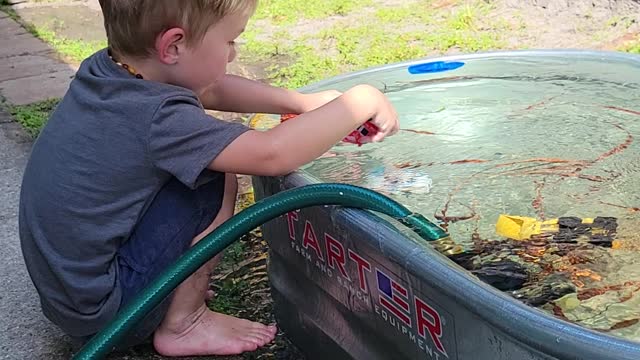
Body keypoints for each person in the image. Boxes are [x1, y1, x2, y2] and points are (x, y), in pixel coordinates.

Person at [18, 0, 399, 357]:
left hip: (71, 295)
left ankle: (169, 295)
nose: (233, 52)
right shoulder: (158, 116)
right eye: (230, 40)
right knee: (213, 180)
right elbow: (271, 155)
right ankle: (185, 323)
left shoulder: (114, 71)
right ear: (174, 46)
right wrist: (360, 101)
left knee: (195, 171)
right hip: (109, 318)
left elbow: (210, 88)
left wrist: (301, 104)